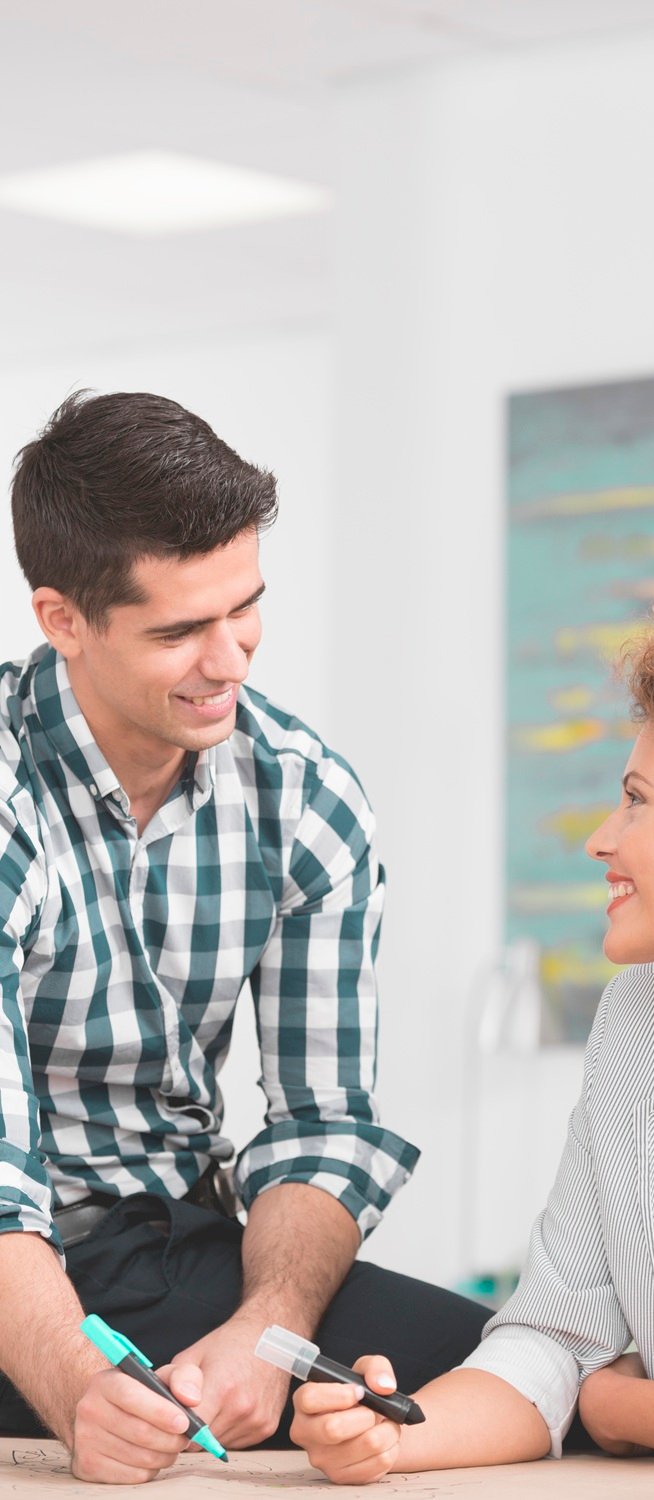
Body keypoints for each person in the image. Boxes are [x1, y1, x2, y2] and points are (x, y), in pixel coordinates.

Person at [0, 391, 486, 1484]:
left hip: (163, 1244)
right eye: (178, 632)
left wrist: (265, 1339)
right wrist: (74, 1383)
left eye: (244, 609)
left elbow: (321, 1122)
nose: (230, 662)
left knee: (494, 1371)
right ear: (63, 619)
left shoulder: (303, 799)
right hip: (17, 1253)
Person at [292, 594, 654, 1483]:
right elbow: (552, 1336)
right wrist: (392, 1437)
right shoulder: (641, 1022)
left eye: (635, 801)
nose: (599, 840)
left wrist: (620, 1406)